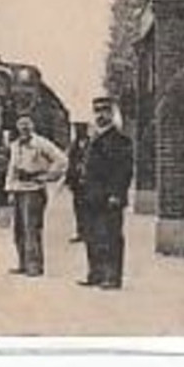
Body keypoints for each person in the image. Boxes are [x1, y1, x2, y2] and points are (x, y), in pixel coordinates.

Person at [77, 97, 135, 289]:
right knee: (92, 236)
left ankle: (112, 277)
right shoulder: (92, 138)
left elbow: (123, 170)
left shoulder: (120, 140)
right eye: (97, 111)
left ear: (112, 113)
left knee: (110, 237)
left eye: (105, 111)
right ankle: (96, 273)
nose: (100, 115)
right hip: (90, 197)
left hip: (109, 198)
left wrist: (116, 194)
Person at [4, 112, 68, 276]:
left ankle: (34, 266)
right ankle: (23, 264)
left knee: (31, 229)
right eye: (21, 124)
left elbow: (61, 160)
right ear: (17, 127)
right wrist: (10, 190)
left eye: (27, 124)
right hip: (19, 189)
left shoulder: (41, 143)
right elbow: (11, 169)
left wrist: (47, 176)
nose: (24, 127)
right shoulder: (15, 145)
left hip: (34, 190)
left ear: (33, 126)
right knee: (18, 230)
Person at [64, 121, 90, 242]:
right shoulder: (73, 146)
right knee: (78, 207)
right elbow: (69, 163)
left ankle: (89, 231)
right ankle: (81, 232)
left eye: (82, 128)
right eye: (77, 129)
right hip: (77, 182)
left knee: (89, 207)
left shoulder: (93, 143)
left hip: (89, 181)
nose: (80, 131)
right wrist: (69, 179)